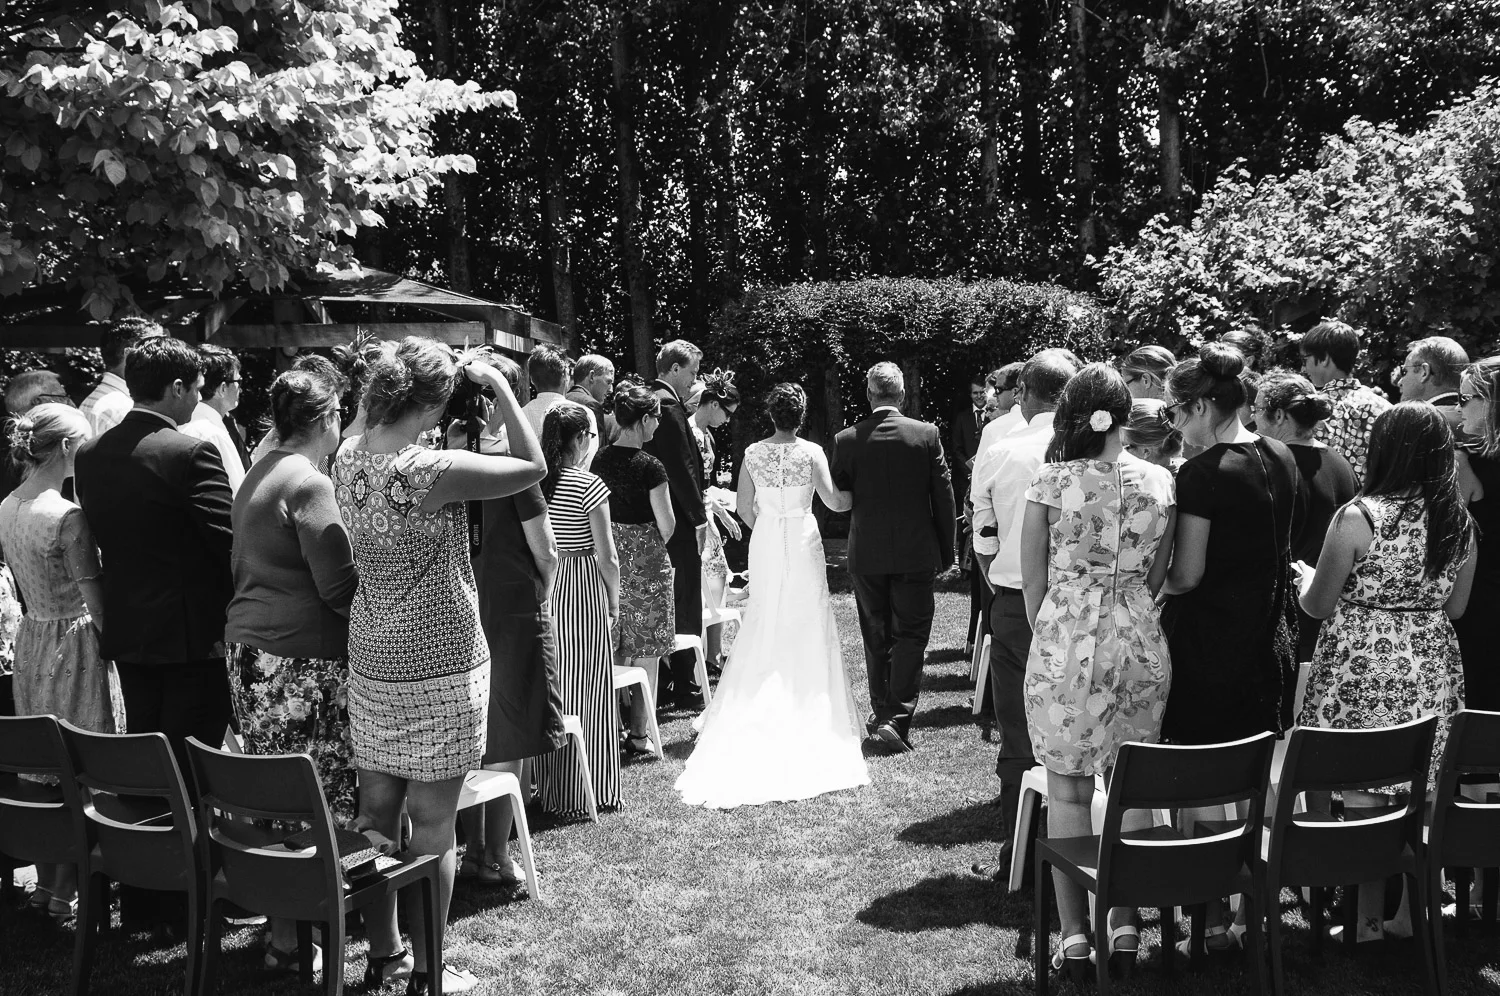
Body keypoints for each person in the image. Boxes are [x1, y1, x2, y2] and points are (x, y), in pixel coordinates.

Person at [332, 337, 546, 996]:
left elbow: (369, 421)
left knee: (374, 817)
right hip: (442, 661)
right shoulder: (427, 469)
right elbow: (533, 466)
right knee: (432, 828)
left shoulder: (347, 456)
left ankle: (384, 953)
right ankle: (429, 972)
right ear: (435, 400)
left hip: (372, 655)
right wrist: (500, 385)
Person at [1019, 364, 1177, 978]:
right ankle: (1128, 924)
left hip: (1067, 638)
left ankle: (1076, 937)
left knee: (1067, 786)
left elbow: (1032, 579)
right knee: (1132, 781)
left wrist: (1056, 627)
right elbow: (1159, 574)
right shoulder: (1161, 480)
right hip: (1139, 637)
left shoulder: (1052, 480)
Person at [1299, 402, 1475, 943]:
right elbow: (1457, 609)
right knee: (1422, 787)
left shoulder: (1359, 517)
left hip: (1363, 661)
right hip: (1431, 661)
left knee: (1364, 791)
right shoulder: (1458, 521)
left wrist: (1305, 577)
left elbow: (1319, 605)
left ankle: (1368, 919)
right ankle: (1412, 914)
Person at [1160, 344, 1301, 950]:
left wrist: (1151, 586)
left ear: (1202, 406)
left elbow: (1187, 573)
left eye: (1176, 412)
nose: (1173, 424)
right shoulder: (1283, 456)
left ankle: (1213, 917)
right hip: (1269, 635)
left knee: (1203, 780)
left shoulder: (1200, 474)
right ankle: (1252, 911)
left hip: (1209, 640)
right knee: (1250, 779)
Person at [225, 370, 360, 974]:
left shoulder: (260, 469)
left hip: (250, 651)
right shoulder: (309, 483)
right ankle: (324, 930)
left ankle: (285, 937)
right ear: (329, 419)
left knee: (275, 792)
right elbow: (338, 588)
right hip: (299, 657)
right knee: (319, 795)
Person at [675, 383, 868, 808]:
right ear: (799, 415)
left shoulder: (752, 454)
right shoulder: (813, 452)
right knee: (807, 613)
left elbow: (744, 508)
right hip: (801, 536)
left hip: (766, 538)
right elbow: (834, 503)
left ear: (771, 414)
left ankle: (758, 683)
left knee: (765, 612)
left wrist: (768, 520)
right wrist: (862, 494)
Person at [73, 336, 234, 763]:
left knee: (147, 755)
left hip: (128, 625)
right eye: (198, 389)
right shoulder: (190, 452)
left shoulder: (88, 454)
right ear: (177, 387)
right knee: (192, 761)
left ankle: (143, 829)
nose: (200, 399)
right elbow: (227, 541)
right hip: (191, 636)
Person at [0, 404, 123, 921]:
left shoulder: (7, 505)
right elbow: (95, 602)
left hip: (31, 641)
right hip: (73, 644)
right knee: (80, 762)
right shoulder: (66, 517)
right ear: (69, 447)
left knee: (43, 766)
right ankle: (69, 887)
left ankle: (47, 885)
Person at [457, 353, 564, 899]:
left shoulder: (447, 463)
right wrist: (543, 590)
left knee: (474, 728)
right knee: (512, 726)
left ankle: (472, 847)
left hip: (460, 601)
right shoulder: (511, 470)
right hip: (512, 602)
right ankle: (497, 856)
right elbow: (545, 552)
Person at [967, 348, 1077, 878]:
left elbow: (982, 533)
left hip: (1015, 603)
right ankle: (1086, 849)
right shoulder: (1104, 458)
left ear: (1025, 392)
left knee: (1018, 734)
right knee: (1082, 730)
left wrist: (999, 579)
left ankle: (1020, 853)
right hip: (1085, 605)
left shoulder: (1003, 449)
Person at [832, 362, 956, 754]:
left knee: (875, 632)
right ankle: (895, 717)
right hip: (915, 550)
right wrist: (947, 550)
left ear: (869, 396)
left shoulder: (847, 439)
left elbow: (840, 496)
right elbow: (944, 495)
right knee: (911, 635)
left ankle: (882, 710)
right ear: (902, 396)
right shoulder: (925, 435)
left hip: (866, 550)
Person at [533, 403, 621, 816]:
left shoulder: (537, 482)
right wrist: (615, 599)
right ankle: (593, 789)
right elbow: (608, 557)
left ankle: (552, 789)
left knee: (557, 687)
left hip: (546, 586)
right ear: (580, 438)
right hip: (582, 584)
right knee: (591, 690)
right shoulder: (589, 484)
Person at [590, 383, 675, 756]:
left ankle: (609, 731)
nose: (657, 425)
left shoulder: (598, 460)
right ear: (642, 420)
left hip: (605, 556)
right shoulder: (651, 466)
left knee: (612, 647)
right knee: (647, 650)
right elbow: (667, 524)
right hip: (646, 563)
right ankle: (640, 735)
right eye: (655, 418)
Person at [1253, 371, 1358, 662]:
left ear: (1282, 416)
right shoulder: (1340, 463)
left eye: (1259, 410)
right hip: (1328, 609)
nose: (1254, 420)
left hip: (1280, 614)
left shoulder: (1269, 466)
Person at [644, 340, 709, 708]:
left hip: (660, 519)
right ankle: (685, 683)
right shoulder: (666, 406)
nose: (693, 380)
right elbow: (681, 471)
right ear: (672, 369)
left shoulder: (656, 401)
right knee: (683, 597)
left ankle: (671, 676)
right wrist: (699, 519)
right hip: (678, 522)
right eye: (691, 372)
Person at [690, 370, 742, 669]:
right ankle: (706, 656)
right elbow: (693, 484)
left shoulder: (705, 435)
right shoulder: (691, 433)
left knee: (717, 581)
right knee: (710, 582)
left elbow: (704, 482)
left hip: (708, 513)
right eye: (727, 412)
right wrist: (714, 515)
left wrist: (721, 512)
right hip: (698, 518)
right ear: (712, 404)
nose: (728, 420)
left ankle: (712, 654)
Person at [1456, 357, 1500, 710]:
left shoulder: (1465, 463)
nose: (1459, 408)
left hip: (1481, 608)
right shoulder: (1468, 460)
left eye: (1465, 398)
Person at [1300, 319, 1391, 485]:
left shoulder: (1307, 409)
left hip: (1325, 507)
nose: (1303, 369)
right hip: (1371, 507)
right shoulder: (1384, 408)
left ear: (1325, 359)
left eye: (1305, 359)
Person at [178, 344, 247, 495]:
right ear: (222, 388)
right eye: (238, 382)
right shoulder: (213, 435)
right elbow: (239, 497)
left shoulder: (180, 424)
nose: (240, 389)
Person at [80, 316, 163, 437]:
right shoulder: (124, 409)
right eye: (154, 351)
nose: (162, 359)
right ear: (129, 355)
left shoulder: (97, 400)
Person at [0, 369, 75, 503]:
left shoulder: (12, 444)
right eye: (63, 397)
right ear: (39, 402)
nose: (71, 404)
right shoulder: (48, 446)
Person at [522, 344, 598, 465]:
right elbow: (587, 460)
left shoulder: (520, 416)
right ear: (565, 375)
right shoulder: (586, 414)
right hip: (576, 482)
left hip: (531, 483)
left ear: (531, 379)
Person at [1395, 336, 1468, 408]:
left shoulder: (1424, 418)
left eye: (1404, 372)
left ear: (1424, 373)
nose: (1399, 383)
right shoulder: (1472, 415)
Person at [1121, 398, 1183, 470]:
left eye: (1123, 446)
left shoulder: (1155, 480)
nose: (1117, 452)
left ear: (1145, 451)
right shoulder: (1186, 471)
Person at [567, 354, 615, 441]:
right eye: (608, 382)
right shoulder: (591, 405)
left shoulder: (562, 399)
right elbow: (597, 450)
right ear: (592, 376)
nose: (610, 390)